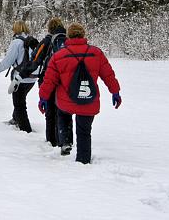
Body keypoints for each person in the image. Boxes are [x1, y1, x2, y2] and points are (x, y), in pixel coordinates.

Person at [38, 22, 121, 164]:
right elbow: (108, 75)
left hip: (66, 101)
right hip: (88, 100)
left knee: (62, 114)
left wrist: (43, 98)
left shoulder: (59, 56)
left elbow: (49, 80)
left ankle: (65, 141)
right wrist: (115, 92)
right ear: (83, 35)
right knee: (84, 132)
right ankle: (83, 160)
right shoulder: (96, 53)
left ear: (68, 36)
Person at [0, 20, 38, 132]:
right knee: (21, 99)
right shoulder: (33, 41)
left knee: (19, 104)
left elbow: (8, 61)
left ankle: (26, 129)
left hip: (20, 78)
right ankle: (15, 119)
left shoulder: (16, 43)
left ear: (15, 29)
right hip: (32, 77)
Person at [28, 17, 67, 146]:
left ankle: (51, 141)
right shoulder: (68, 41)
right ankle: (62, 139)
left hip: (47, 80)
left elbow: (35, 58)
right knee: (62, 111)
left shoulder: (46, 41)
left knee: (50, 112)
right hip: (64, 82)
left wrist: (24, 72)